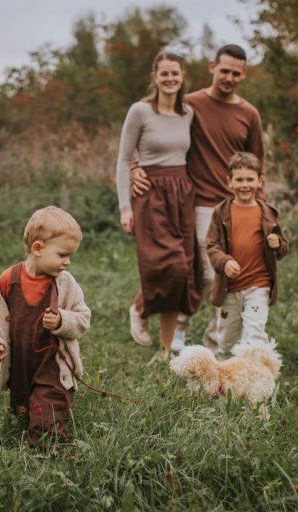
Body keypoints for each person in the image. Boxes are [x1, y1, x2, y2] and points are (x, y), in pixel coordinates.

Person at [130, 44, 266, 354]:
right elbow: (147, 125)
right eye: (224, 70)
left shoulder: (249, 114)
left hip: (237, 205)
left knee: (230, 276)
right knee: (203, 274)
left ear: (243, 74)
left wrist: (262, 207)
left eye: (236, 72)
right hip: (198, 203)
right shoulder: (190, 104)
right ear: (212, 67)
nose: (229, 77)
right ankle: (177, 326)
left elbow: (259, 163)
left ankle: (216, 344)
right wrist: (135, 167)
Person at [116, 51, 202, 362]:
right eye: (163, 73)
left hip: (182, 193)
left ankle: (165, 353)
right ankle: (140, 307)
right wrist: (125, 207)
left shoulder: (188, 114)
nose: (169, 79)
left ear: (182, 77)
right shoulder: (140, 111)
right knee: (169, 266)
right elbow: (124, 159)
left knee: (183, 272)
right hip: (150, 194)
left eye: (174, 74)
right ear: (155, 77)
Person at [0, 206, 91, 444]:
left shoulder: (66, 284)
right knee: (23, 408)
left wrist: (62, 320)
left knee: (45, 415)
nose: (67, 262)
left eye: (70, 256)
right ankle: (33, 420)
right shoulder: (8, 280)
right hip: (21, 362)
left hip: (52, 364)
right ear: (38, 248)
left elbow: (83, 318)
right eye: (62, 255)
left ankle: (47, 449)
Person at [205, 152, 288, 359]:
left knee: (255, 339)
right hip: (230, 287)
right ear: (229, 182)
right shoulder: (221, 212)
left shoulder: (268, 213)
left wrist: (277, 244)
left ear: (260, 181)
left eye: (250, 179)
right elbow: (212, 245)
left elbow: (283, 246)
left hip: (258, 285)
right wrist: (224, 262)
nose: (244, 185)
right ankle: (225, 383)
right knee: (226, 343)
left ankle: (254, 385)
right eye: (239, 180)